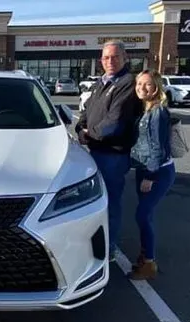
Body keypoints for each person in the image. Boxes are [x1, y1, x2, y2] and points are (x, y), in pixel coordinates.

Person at [75, 40, 143, 262]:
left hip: (112, 155)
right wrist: (81, 127)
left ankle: (109, 247)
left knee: (109, 202)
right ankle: (92, 243)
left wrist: (86, 134)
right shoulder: (101, 83)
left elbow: (114, 124)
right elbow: (86, 113)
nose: (110, 61)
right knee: (92, 202)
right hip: (95, 152)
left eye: (114, 57)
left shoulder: (127, 84)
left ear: (125, 58)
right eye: (106, 57)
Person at [127, 69, 176, 280]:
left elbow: (158, 148)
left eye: (147, 84)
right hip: (143, 169)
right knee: (146, 216)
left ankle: (149, 264)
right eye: (139, 84)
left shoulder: (158, 112)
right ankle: (146, 255)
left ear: (156, 86)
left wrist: (150, 176)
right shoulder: (146, 109)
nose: (142, 88)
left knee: (142, 214)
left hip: (158, 171)